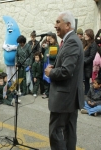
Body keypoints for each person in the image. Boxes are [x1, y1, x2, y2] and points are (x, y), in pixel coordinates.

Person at [44, 11, 84, 150]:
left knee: (56, 132)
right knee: (69, 131)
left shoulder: (71, 41)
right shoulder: (70, 40)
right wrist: (54, 67)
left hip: (64, 97)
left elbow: (67, 71)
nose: (55, 26)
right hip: (70, 96)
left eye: (58, 22)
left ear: (68, 25)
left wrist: (51, 72)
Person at [43, 33, 59, 99]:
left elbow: (53, 56)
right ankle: (46, 92)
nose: (50, 40)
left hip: (51, 64)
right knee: (46, 79)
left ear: (55, 39)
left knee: (50, 80)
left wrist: (49, 54)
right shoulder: (49, 46)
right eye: (50, 38)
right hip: (46, 63)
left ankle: (50, 93)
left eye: (52, 38)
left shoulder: (56, 46)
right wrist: (45, 48)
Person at [83, 29, 97, 95]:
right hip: (83, 66)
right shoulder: (85, 43)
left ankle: (87, 95)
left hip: (87, 66)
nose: (84, 35)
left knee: (87, 82)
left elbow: (91, 57)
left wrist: (83, 62)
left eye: (85, 34)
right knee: (84, 82)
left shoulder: (93, 44)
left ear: (89, 35)